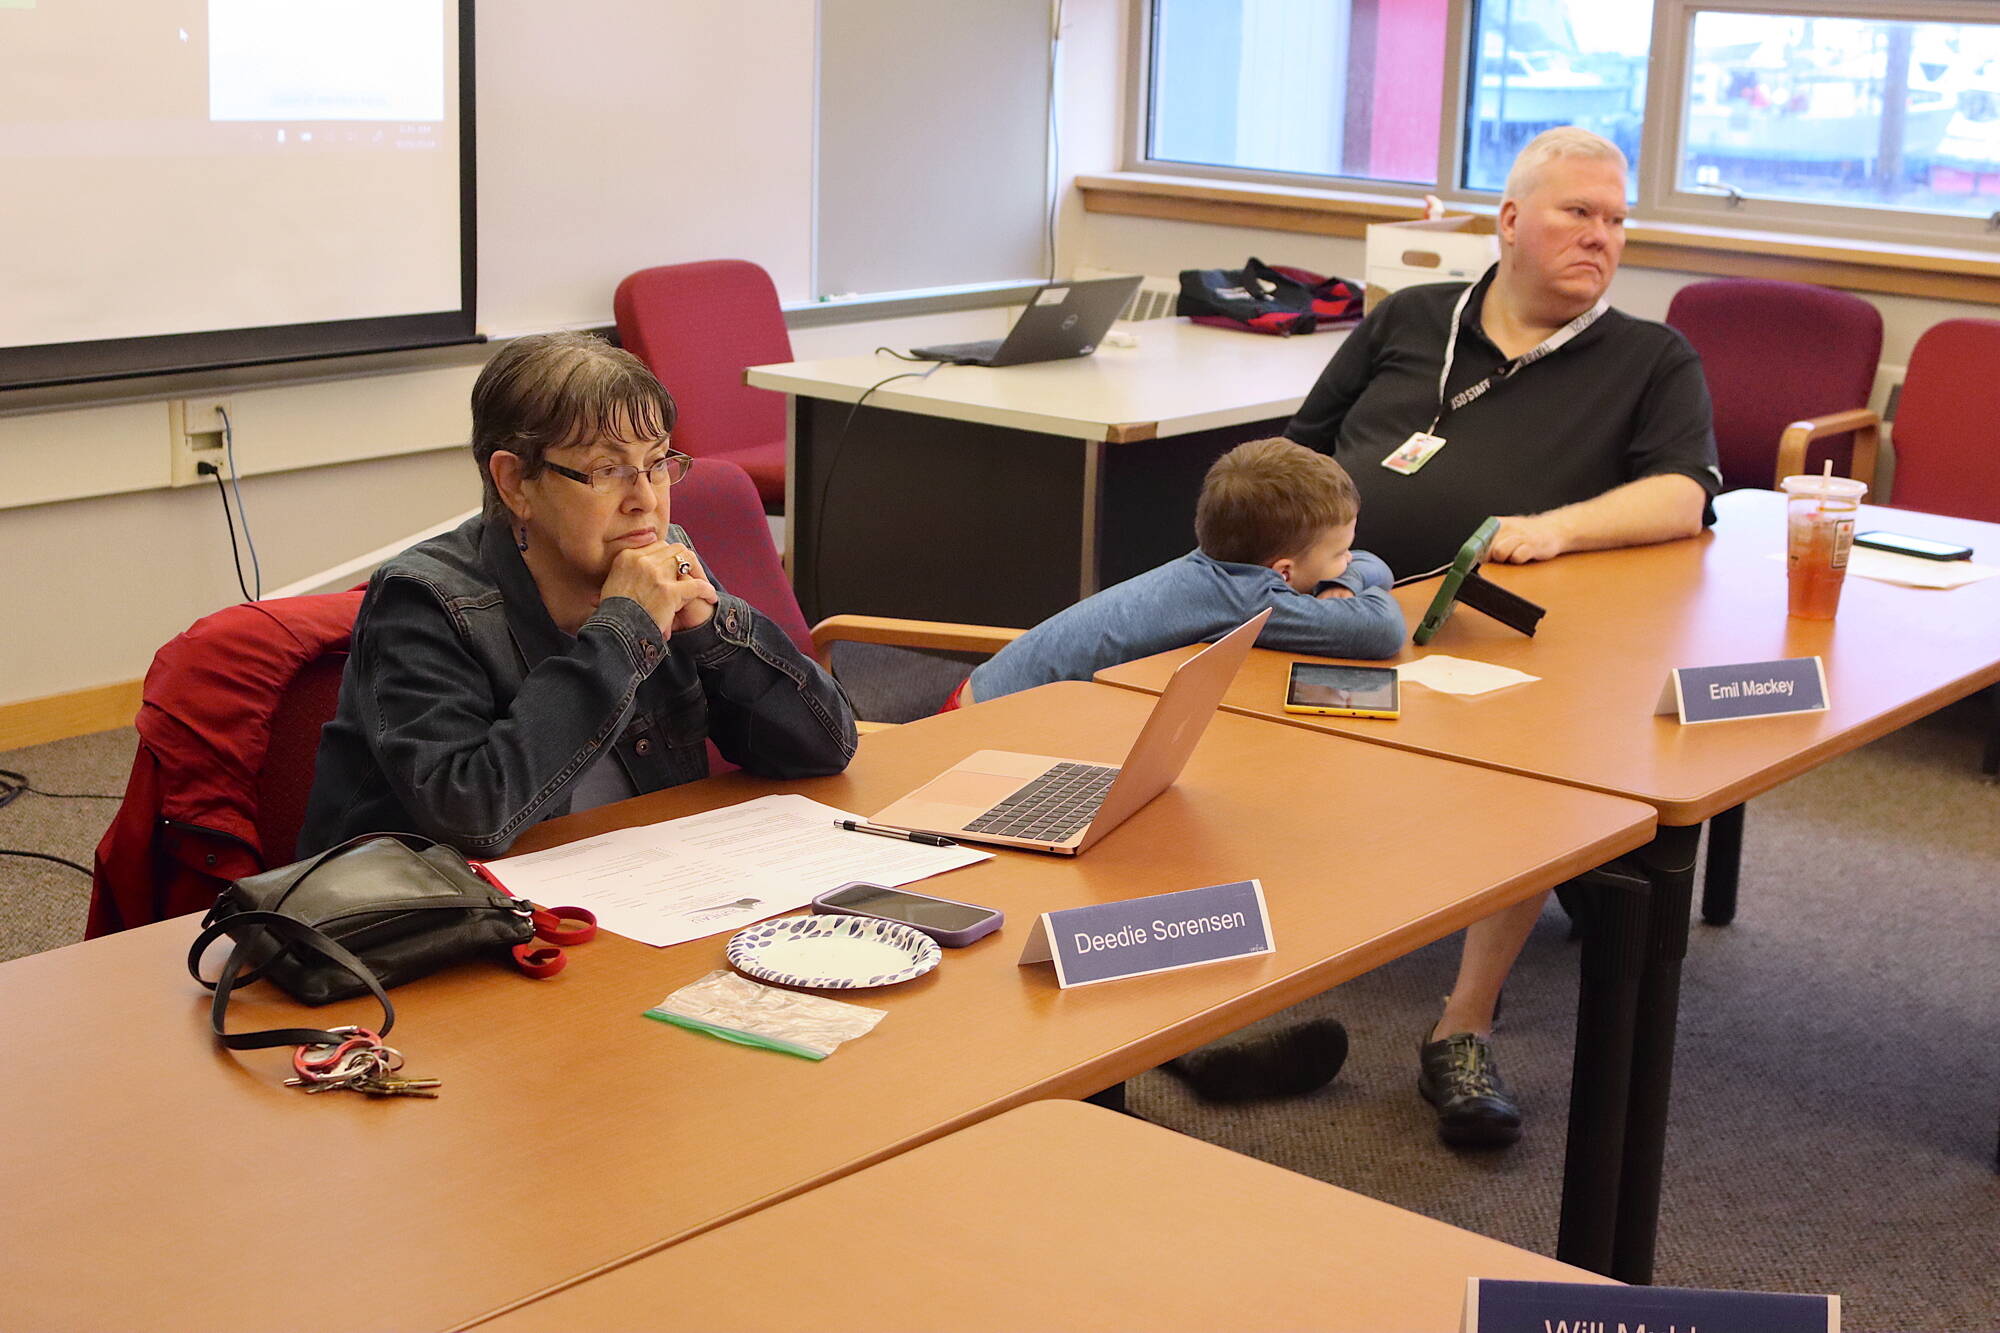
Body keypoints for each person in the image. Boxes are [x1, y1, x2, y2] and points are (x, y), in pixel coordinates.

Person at [1282, 127, 1721, 1148]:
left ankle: (1459, 1023)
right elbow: (1296, 453)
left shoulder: (1648, 356)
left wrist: (1553, 527)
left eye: (1615, 221)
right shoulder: (1408, 319)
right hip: (1343, 605)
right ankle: (1222, 989)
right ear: (1511, 220)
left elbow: (1682, 496)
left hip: (1500, 637)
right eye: (1578, 213)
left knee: (1532, 764)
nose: (1600, 238)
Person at [300, 332, 857, 858]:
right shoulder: (422, 600)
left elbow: (824, 749)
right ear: (515, 483)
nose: (645, 500)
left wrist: (713, 628)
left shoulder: (660, 556)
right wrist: (623, 633)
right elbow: (472, 816)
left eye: (658, 462)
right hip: (449, 924)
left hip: (639, 886)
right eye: (608, 469)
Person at [957, 437, 1404, 707]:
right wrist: (1346, 586)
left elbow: (1372, 565)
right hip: (980, 726)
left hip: (987, 690)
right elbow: (1382, 630)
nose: (1350, 560)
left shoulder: (1220, 570)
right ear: (1283, 572)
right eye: (1339, 554)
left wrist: (1341, 578)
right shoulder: (1245, 601)